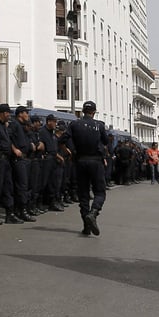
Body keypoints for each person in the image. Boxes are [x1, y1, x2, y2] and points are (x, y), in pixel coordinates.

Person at [64, 100, 110, 236]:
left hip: (80, 161)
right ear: (94, 112)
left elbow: (63, 140)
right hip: (95, 161)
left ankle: (86, 225)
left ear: (83, 111)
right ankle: (93, 212)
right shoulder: (99, 125)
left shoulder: (74, 124)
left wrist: (71, 150)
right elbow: (106, 142)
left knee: (83, 195)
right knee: (100, 192)